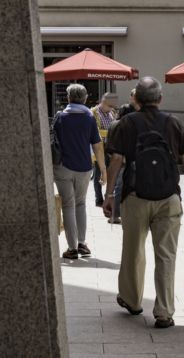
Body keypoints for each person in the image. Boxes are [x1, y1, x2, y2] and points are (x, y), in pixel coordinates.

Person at [103, 77, 184, 329]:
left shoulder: (124, 124)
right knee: (166, 255)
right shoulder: (173, 123)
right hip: (168, 198)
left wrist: (109, 194)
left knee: (133, 251)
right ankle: (164, 312)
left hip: (135, 197)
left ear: (136, 99)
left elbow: (116, 160)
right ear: (160, 99)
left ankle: (133, 301)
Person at [53, 84, 107, 259]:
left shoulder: (60, 117)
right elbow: (97, 146)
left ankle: (72, 248)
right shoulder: (90, 118)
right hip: (84, 167)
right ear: (84, 99)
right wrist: (103, 170)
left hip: (63, 167)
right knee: (80, 203)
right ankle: (82, 243)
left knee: (68, 205)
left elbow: (54, 142)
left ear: (68, 98)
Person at [90, 93, 117, 207]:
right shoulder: (93, 112)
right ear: (103, 102)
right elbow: (94, 132)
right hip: (99, 147)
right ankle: (98, 199)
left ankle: (108, 196)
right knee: (98, 173)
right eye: (109, 105)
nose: (111, 108)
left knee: (110, 173)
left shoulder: (112, 113)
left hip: (110, 147)